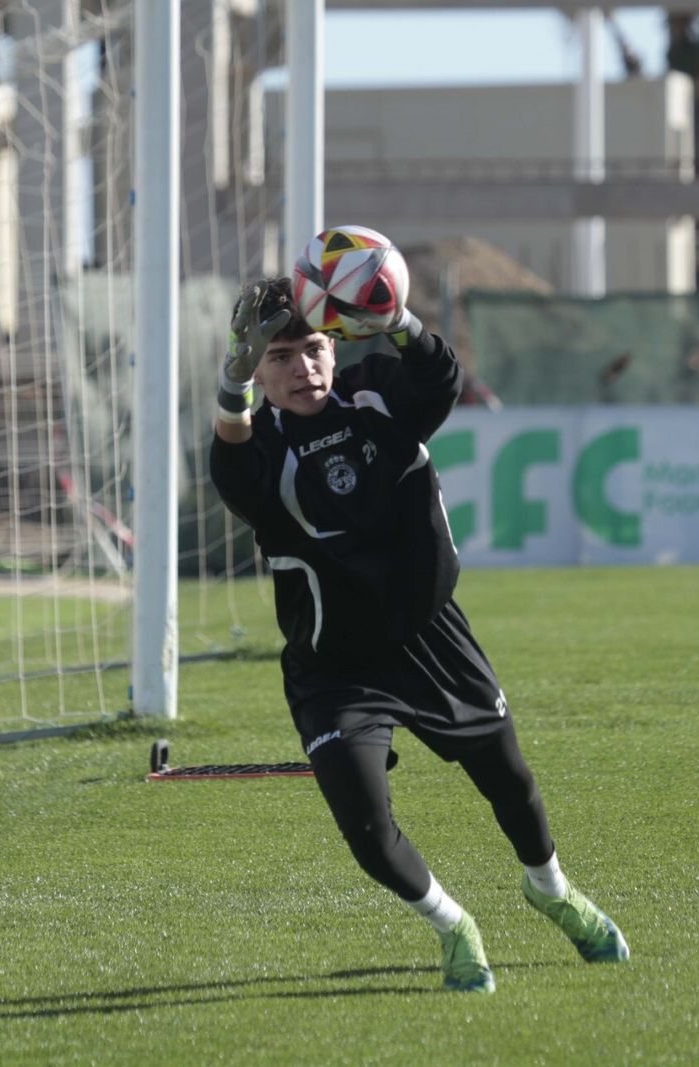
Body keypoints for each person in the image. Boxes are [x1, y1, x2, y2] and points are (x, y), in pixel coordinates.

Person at [208, 274, 629, 993]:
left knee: (513, 783)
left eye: (312, 349)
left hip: (432, 639)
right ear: (259, 369)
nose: (301, 368)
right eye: (278, 357)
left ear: (334, 350)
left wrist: (395, 314)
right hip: (333, 667)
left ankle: (551, 890)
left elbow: (441, 377)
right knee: (367, 830)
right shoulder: (261, 446)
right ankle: (452, 925)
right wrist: (231, 380)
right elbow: (231, 454)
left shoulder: (376, 395)